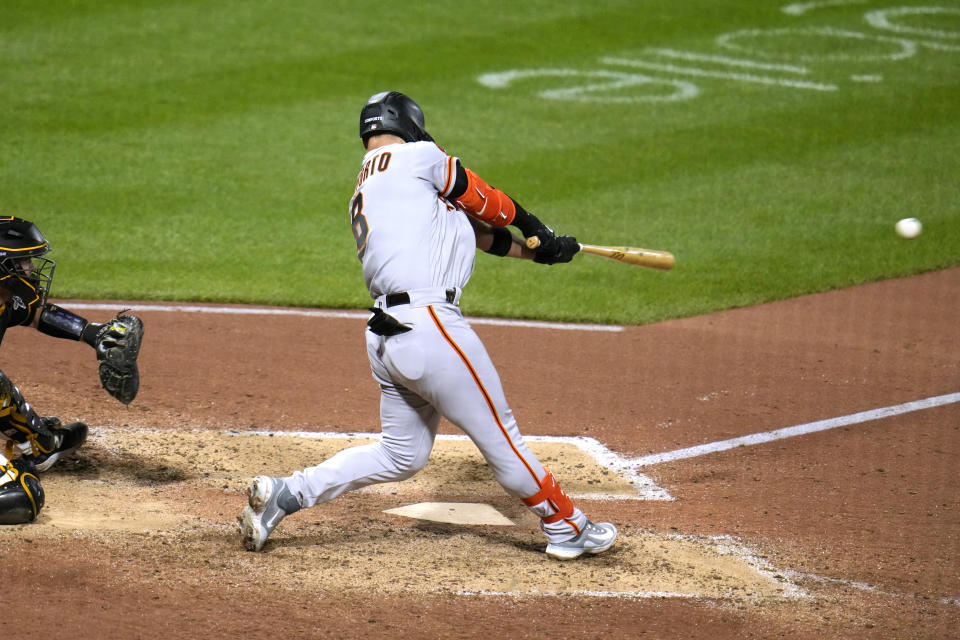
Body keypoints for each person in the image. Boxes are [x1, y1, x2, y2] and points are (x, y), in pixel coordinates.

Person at [239, 91, 617, 559]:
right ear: (411, 124)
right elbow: (490, 202)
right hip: (430, 327)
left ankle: (286, 494)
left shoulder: (373, 183)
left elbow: (476, 231)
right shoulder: (420, 157)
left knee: (402, 455)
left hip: (387, 337)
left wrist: (540, 251)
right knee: (502, 436)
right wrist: (536, 223)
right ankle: (567, 526)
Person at [0, 216, 143, 524]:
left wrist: (93, 334)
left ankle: (37, 443)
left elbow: (35, 314)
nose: (31, 270)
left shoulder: (3, 300)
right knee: (20, 498)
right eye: (22, 262)